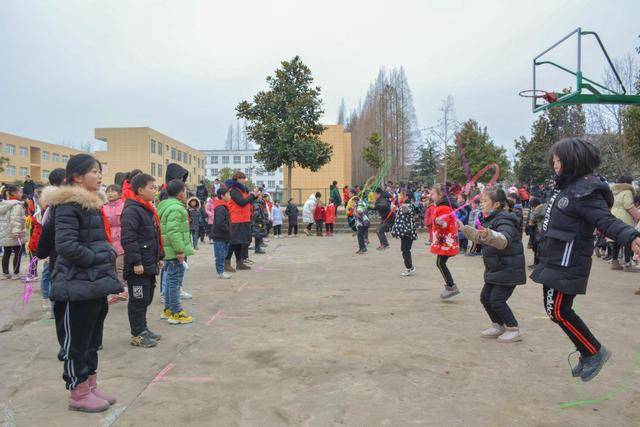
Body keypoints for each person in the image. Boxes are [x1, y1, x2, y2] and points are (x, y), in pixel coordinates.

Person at [532, 138, 640, 382]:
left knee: (558, 310)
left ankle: (593, 352)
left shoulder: (585, 192)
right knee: (555, 310)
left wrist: (632, 237)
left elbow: (606, 220)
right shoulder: (566, 187)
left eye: (558, 161)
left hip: (567, 261)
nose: (554, 165)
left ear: (572, 161)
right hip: (554, 256)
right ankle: (587, 351)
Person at [46, 154, 121, 412]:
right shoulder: (68, 204)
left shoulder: (92, 205)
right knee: (76, 342)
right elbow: (66, 245)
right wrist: (96, 257)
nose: (99, 176)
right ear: (77, 176)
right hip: (73, 284)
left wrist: (104, 256)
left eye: (100, 171)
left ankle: (91, 385)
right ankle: (78, 393)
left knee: (92, 339)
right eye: (94, 171)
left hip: (94, 282)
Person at [459, 188, 526, 343]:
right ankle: (498, 325)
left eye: (484, 201)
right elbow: (481, 237)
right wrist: (462, 228)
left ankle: (513, 329)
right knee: (485, 298)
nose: (481, 204)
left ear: (496, 204)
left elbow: (503, 239)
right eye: (481, 201)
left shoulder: (505, 220)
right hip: (496, 268)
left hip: (509, 268)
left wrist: (491, 234)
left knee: (496, 300)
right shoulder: (491, 219)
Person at [120, 173, 164, 347]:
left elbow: (153, 236)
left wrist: (159, 257)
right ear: (140, 190)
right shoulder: (132, 210)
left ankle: (143, 329)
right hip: (138, 267)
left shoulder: (146, 208)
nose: (155, 191)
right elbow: (128, 239)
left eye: (155, 187)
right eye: (151, 188)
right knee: (138, 301)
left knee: (146, 298)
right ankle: (137, 334)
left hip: (148, 264)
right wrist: (136, 262)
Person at [158, 179, 195, 325]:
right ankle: (176, 312)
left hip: (169, 251)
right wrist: (180, 251)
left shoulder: (166, 206)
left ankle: (168, 309)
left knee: (170, 281)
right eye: (185, 191)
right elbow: (174, 232)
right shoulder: (176, 208)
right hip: (174, 252)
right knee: (175, 283)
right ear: (181, 193)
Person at [430, 185, 460, 299]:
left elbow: (445, 223)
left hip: (445, 242)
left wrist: (440, 222)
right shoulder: (442, 207)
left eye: (433, 194)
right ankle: (450, 286)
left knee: (440, 263)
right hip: (445, 241)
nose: (431, 196)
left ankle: (451, 286)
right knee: (440, 263)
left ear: (440, 195)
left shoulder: (443, 208)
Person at [224, 172, 256, 271]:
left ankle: (239, 262)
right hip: (236, 219)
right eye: (242, 178)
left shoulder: (243, 190)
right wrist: (252, 196)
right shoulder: (234, 190)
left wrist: (254, 197)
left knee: (240, 242)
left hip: (244, 218)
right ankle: (226, 262)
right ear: (237, 179)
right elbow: (241, 202)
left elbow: (247, 202)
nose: (244, 180)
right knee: (233, 242)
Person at [610, 175, 640, 272]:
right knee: (628, 239)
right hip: (624, 217)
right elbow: (628, 205)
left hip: (614, 217)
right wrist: (638, 216)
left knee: (616, 240)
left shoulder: (614, 192)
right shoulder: (627, 192)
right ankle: (628, 264)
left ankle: (614, 262)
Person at [104, 184, 127, 302]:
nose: (110, 193)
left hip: (121, 242)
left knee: (119, 268)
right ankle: (113, 292)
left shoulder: (124, 206)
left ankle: (122, 290)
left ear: (119, 193)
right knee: (110, 268)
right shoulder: (103, 207)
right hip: (108, 242)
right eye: (108, 191)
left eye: (113, 191)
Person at [0, 185, 26, 280]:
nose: (21, 194)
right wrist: (16, 232)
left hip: (5, 233)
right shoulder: (16, 205)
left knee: (6, 253)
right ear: (14, 193)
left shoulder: (4, 204)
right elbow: (15, 219)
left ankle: (5, 273)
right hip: (15, 234)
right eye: (20, 192)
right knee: (18, 252)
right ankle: (16, 273)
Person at [391, 202, 418, 276]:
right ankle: (410, 267)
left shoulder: (410, 207)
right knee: (404, 250)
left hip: (408, 233)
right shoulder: (400, 208)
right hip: (403, 233)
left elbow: (408, 211)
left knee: (405, 250)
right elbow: (398, 217)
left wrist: (404, 206)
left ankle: (409, 268)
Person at [212, 186, 232, 279]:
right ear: (222, 196)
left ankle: (221, 271)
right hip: (220, 235)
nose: (229, 196)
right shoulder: (220, 207)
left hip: (224, 235)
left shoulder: (224, 206)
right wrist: (228, 230)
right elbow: (220, 223)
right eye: (228, 194)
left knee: (223, 254)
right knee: (220, 254)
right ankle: (220, 272)